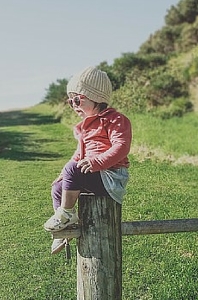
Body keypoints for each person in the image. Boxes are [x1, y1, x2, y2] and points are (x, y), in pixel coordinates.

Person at [43, 66, 132, 254]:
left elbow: (121, 147)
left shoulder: (115, 120)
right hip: (94, 173)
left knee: (72, 170)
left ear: (97, 98)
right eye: (70, 101)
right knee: (58, 188)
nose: (74, 105)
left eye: (77, 99)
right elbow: (79, 154)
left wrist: (96, 162)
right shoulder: (86, 126)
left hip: (111, 177)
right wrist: (63, 174)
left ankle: (66, 214)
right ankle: (65, 230)